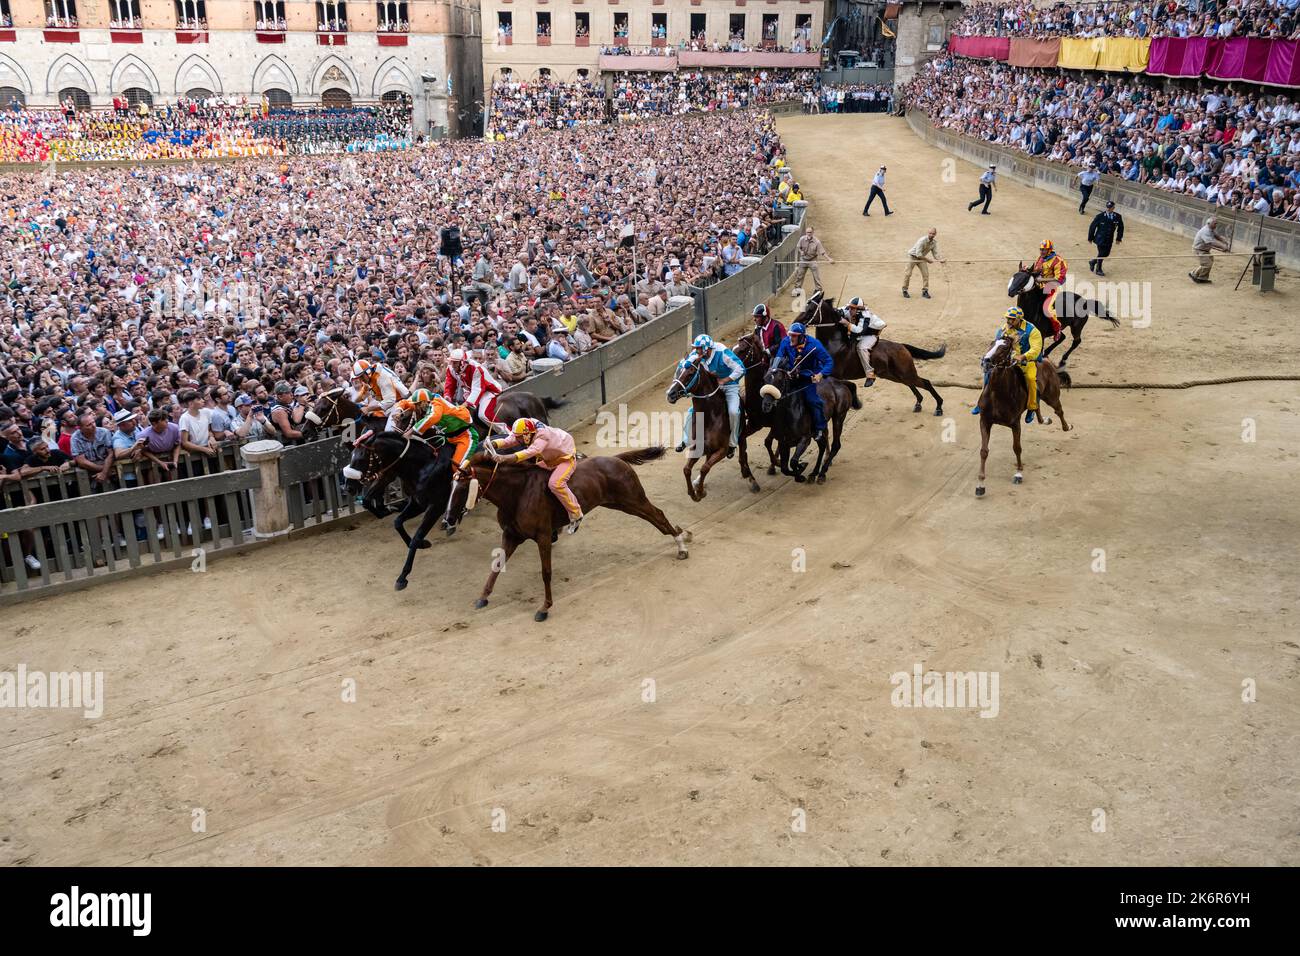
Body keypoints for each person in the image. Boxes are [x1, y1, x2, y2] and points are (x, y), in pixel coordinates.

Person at [489, 417, 583, 534]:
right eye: (517, 436)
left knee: (555, 484)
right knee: (532, 472)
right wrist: (493, 444)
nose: (517, 439)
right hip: (550, 456)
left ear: (527, 434)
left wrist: (505, 458)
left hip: (565, 457)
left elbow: (530, 452)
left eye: (519, 437)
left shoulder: (542, 436)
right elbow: (511, 439)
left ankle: (576, 514)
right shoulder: (527, 428)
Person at [675, 334, 745, 455]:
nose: (696, 351)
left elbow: (741, 368)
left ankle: (732, 443)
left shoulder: (722, 352)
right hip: (712, 387)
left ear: (707, 348)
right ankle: (686, 440)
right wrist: (684, 365)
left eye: (699, 348)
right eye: (696, 348)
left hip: (729, 386)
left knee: (734, 412)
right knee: (692, 411)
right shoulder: (697, 354)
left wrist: (725, 380)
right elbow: (684, 364)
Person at [972, 306, 1042, 423]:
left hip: (1026, 362)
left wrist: (1023, 356)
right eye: (1007, 318)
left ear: (1019, 319)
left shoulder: (1033, 331)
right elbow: (997, 344)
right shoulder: (1005, 328)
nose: (1009, 321)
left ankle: (1032, 407)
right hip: (1009, 361)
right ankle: (981, 402)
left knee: (1030, 379)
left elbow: (1036, 349)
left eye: (1012, 319)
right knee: (988, 374)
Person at [771, 322, 834, 441]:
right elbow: (779, 356)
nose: (791, 338)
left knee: (813, 400)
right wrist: (775, 368)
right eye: (790, 335)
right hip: (790, 375)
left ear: (802, 336)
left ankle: (820, 428)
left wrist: (820, 374)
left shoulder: (814, 345)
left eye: (794, 336)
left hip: (807, 377)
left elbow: (829, 362)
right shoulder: (786, 342)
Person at [396, 387, 478, 470]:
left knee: (456, 467)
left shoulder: (437, 402)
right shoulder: (425, 403)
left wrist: (410, 432)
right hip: (448, 438)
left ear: (424, 402)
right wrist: (399, 411)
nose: (416, 407)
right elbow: (405, 402)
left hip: (465, 436)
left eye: (418, 405)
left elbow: (434, 417)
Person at [443, 347, 504, 428]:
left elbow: (477, 389)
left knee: (483, 415)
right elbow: (450, 384)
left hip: (488, 390)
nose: (452, 365)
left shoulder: (475, 368)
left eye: (455, 363)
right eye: (451, 362)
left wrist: (465, 405)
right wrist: (447, 396)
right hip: (470, 391)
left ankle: (506, 432)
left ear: (462, 363)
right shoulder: (451, 368)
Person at [839, 296, 887, 387]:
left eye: (852, 308)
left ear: (858, 310)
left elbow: (859, 331)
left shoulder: (865, 316)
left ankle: (870, 374)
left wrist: (847, 323)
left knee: (861, 348)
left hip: (870, 334)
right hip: (859, 334)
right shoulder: (849, 309)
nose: (849, 310)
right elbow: (839, 310)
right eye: (849, 307)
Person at [350, 358, 409, 429]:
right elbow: (360, 398)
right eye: (359, 378)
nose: (361, 380)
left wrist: (368, 409)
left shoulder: (382, 376)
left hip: (400, 403)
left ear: (368, 372)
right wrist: (352, 405)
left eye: (361, 377)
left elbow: (390, 401)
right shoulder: (369, 378)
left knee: (389, 430)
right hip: (390, 406)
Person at [1030, 239, 1067, 341]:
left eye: (1044, 250)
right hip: (1039, 287)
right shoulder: (1040, 258)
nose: (1042, 252)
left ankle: (1057, 329)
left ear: (1050, 250)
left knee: (1047, 309)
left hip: (1051, 287)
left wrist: (1042, 280)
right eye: (1041, 249)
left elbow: (1059, 279)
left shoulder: (1058, 261)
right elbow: (1035, 271)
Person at [902, 228, 945, 299]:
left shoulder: (934, 242)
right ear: (928, 233)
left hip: (921, 259)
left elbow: (935, 254)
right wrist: (928, 260)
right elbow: (918, 254)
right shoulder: (922, 240)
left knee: (926, 274)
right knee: (908, 274)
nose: (931, 235)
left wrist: (940, 259)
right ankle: (904, 290)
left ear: (935, 234)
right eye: (930, 233)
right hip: (912, 257)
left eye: (933, 234)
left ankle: (925, 291)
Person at [1087, 201, 1124, 277]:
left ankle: (1093, 262)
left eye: (1111, 207)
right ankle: (1098, 269)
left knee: (1106, 254)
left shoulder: (1118, 216)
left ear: (1113, 208)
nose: (1109, 209)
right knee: (1101, 254)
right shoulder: (1100, 216)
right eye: (1108, 207)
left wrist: (1118, 238)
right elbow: (1092, 227)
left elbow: (1121, 228)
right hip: (1100, 239)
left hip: (1109, 239)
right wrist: (1090, 237)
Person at [792, 226, 832, 295]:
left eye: (810, 232)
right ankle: (797, 289)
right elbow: (798, 247)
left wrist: (829, 259)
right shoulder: (802, 239)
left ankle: (818, 290)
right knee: (800, 275)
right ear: (806, 232)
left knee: (816, 276)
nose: (809, 234)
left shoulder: (817, 241)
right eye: (807, 232)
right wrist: (801, 251)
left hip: (812, 260)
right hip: (803, 260)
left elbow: (822, 252)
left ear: (813, 232)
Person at [1190, 216, 1230, 284]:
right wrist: (1223, 246)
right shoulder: (1205, 231)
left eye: (1216, 223)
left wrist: (1224, 241)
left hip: (1204, 249)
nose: (1216, 225)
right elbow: (1212, 242)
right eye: (1215, 223)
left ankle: (1194, 274)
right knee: (1207, 263)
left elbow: (1216, 236)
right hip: (1199, 250)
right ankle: (1200, 278)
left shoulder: (1210, 229)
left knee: (1209, 260)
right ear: (1209, 223)